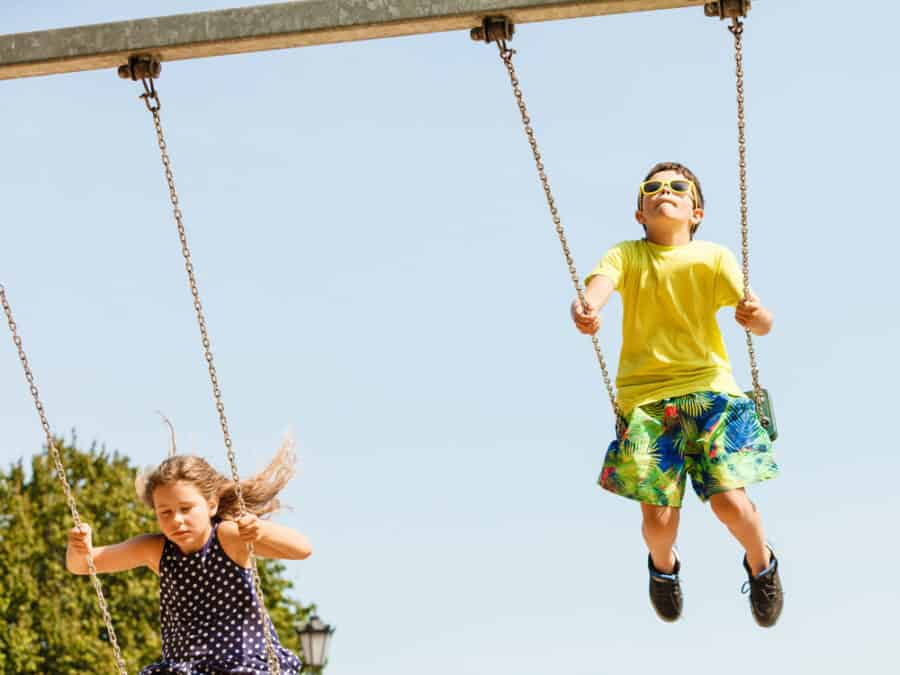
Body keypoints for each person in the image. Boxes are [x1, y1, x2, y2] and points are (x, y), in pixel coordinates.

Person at [570, 161, 783, 627]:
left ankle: (760, 562)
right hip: (645, 400)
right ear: (640, 214)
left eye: (677, 187)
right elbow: (595, 292)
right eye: (653, 187)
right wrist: (586, 309)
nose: (664, 191)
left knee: (729, 502)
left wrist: (756, 318)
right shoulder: (626, 256)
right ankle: (664, 571)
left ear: (696, 211)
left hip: (711, 392)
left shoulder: (713, 257)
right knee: (658, 522)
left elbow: (763, 319)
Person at [66, 439, 312, 673]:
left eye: (186, 509)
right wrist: (78, 548)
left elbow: (302, 549)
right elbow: (82, 566)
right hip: (184, 667)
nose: (177, 520)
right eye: (165, 512)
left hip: (241, 662)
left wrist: (261, 531)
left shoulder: (226, 537)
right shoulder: (155, 550)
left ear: (211, 505)